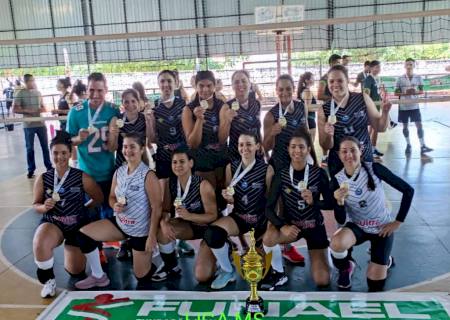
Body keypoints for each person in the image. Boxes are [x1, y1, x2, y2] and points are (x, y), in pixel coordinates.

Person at [74, 133, 162, 289]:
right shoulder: (119, 172)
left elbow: (157, 208)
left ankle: (150, 258)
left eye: (132, 147)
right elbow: (112, 197)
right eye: (125, 147)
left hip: (140, 230)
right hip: (121, 224)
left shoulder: (148, 175)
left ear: (142, 149)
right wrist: (114, 205)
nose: (128, 150)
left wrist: (152, 236)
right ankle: (98, 276)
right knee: (83, 234)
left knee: (141, 276)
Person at [330, 136, 414, 291]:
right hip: (358, 227)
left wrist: (397, 222)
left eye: (353, 150)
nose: (349, 155)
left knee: (375, 285)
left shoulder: (374, 169)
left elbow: (408, 190)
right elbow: (340, 219)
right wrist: (339, 202)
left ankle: (385, 260)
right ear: (339, 155)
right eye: (344, 151)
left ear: (360, 151)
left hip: (382, 229)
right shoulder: (337, 179)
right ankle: (346, 267)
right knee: (336, 244)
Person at [32, 131, 103, 297]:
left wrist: (84, 208)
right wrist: (44, 207)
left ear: (70, 154)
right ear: (50, 154)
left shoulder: (81, 177)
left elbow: (98, 198)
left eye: (64, 153)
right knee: (39, 243)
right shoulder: (43, 178)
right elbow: (35, 205)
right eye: (55, 153)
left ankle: (70, 248)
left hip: (77, 226)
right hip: (54, 223)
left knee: (76, 271)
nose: (60, 157)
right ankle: (48, 281)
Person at [263, 127, 333, 290]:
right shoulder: (281, 175)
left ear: (308, 149)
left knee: (322, 280)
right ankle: (278, 273)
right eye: (293, 146)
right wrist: (283, 226)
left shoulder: (319, 173)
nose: (297, 151)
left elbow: (331, 204)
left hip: (314, 227)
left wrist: (314, 202)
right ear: (288, 149)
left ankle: (322, 253)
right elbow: (268, 209)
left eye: (301, 147)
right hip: (292, 227)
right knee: (269, 238)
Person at [204, 132, 274, 289]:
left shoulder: (266, 169)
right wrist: (227, 198)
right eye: (241, 145)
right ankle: (227, 270)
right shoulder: (232, 167)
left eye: (249, 144)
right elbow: (231, 197)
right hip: (239, 218)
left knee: (260, 273)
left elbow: (272, 202)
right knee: (212, 234)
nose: (245, 148)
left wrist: (269, 228)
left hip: (259, 221)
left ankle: (261, 247)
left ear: (257, 146)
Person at [66, 72, 120, 264]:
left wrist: (113, 137)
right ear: (86, 90)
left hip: (109, 172)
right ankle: (97, 252)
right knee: (90, 215)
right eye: (91, 90)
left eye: (100, 90)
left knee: (112, 212)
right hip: (87, 175)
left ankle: (121, 246)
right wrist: (77, 139)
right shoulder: (76, 111)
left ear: (106, 90)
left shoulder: (113, 111)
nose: (95, 94)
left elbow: (117, 144)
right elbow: (67, 141)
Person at [156, 147, 218, 282]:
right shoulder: (170, 183)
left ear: (191, 163)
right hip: (188, 227)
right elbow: (166, 210)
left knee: (202, 276)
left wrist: (190, 216)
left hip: (209, 229)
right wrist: (163, 223)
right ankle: (171, 265)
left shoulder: (203, 185)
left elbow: (213, 216)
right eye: (175, 162)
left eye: (182, 161)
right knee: (162, 229)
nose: (178, 165)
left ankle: (222, 251)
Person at [318, 65, 391, 177]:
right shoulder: (324, 110)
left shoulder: (362, 99)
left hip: (364, 159)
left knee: (368, 192)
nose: (335, 84)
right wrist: (329, 135)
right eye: (331, 81)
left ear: (347, 81)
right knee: (342, 194)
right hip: (339, 164)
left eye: (340, 80)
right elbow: (325, 146)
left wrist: (385, 113)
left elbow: (380, 127)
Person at [182, 70, 228, 188]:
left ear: (215, 86)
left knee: (223, 196)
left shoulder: (221, 106)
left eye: (209, 85)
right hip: (201, 158)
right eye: (201, 86)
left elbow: (222, 140)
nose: (205, 89)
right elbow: (192, 144)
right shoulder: (188, 109)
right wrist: (199, 120)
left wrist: (227, 121)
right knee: (208, 195)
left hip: (220, 156)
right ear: (196, 86)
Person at [263, 74, 308, 173]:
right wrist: (272, 134)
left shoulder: (301, 107)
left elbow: (307, 135)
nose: (284, 93)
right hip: (280, 165)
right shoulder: (270, 115)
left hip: (300, 162)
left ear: (294, 89)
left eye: (288, 89)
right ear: (276, 91)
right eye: (281, 89)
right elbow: (265, 148)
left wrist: (315, 160)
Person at [13, 74, 53, 178]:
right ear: (26, 82)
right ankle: (31, 169)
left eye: (34, 80)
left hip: (40, 123)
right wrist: (27, 111)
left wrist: (43, 109)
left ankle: (49, 167)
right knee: (30, 148)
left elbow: (44, 107)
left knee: (45, 146)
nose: (33, 82)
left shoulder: (38, 93)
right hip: (28, 125)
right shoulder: (20, 93)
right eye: (31, 81)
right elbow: (15, 109)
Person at [221, 70, 262, 163]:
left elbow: (258, 129)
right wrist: (227, 121)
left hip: (256, 155)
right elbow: (222, 139)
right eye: (236, 82)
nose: (240, 84)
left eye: (244, 81)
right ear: (232, 86)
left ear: (249, 83)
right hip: (237, 156)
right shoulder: (227, 107)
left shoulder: (257, 104)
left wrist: (262, 145)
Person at [394, 58, 433, 155]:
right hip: (403, 106)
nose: (409, 66)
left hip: (415, 106)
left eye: (411, 64)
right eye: (407, 64)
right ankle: (408, 144)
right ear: (404, 66)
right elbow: (395, 92)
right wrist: (404, 93)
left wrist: (414, 92)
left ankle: (423, 145)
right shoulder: (400, 78)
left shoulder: (419, 78)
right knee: (405, 127)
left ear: (414, 66)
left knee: (419, 125)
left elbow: (421, 91)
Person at [317, 54, 342, 167]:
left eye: (340, 62)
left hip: (340, 110)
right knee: (326, 135)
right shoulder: (324, 78)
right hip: (328, 111)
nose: (339, 64)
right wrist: (334, 97)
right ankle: (324, 157)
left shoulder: (341, 78)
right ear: (331, 63)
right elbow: (319, 95)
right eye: (337, 62)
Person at [363, 60, 385, 158]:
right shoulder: (368, 79)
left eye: (379, 67)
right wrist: (369, 107)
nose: (378, 69)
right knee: (374, 129)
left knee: (373, 129)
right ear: (371, 68)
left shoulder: (376, 79)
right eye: (376, 67)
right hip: (372, 108)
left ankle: (371, 148)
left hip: (377, 107)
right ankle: (369, 148)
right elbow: (366, 94)